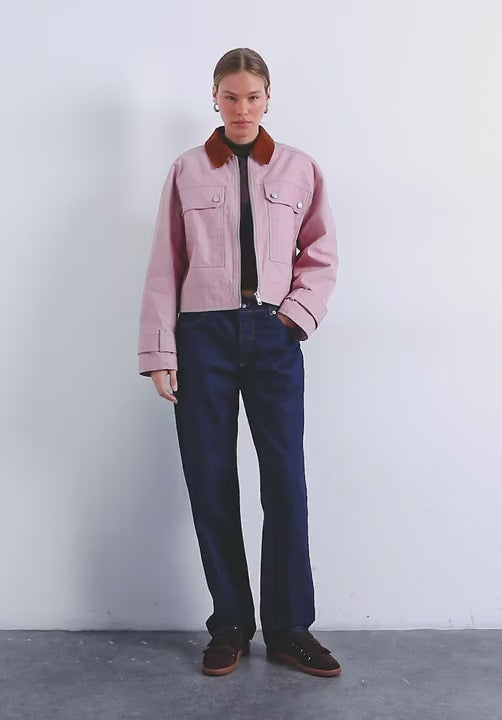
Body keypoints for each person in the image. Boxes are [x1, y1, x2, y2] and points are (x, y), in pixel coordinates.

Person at [137, 47, 340, 678]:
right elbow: (165, 264)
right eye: (231, 97)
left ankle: (289, 628)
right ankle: (229, 622)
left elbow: (321, 254)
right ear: (215, 98)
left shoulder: (300, 169)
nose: (242, 109)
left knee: (285, 483)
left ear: (268, 98)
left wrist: (295, 317)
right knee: (210, 481)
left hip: (273, 335)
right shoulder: (187, 169)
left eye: (253, 97)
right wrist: (160, 351)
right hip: (203, 337)